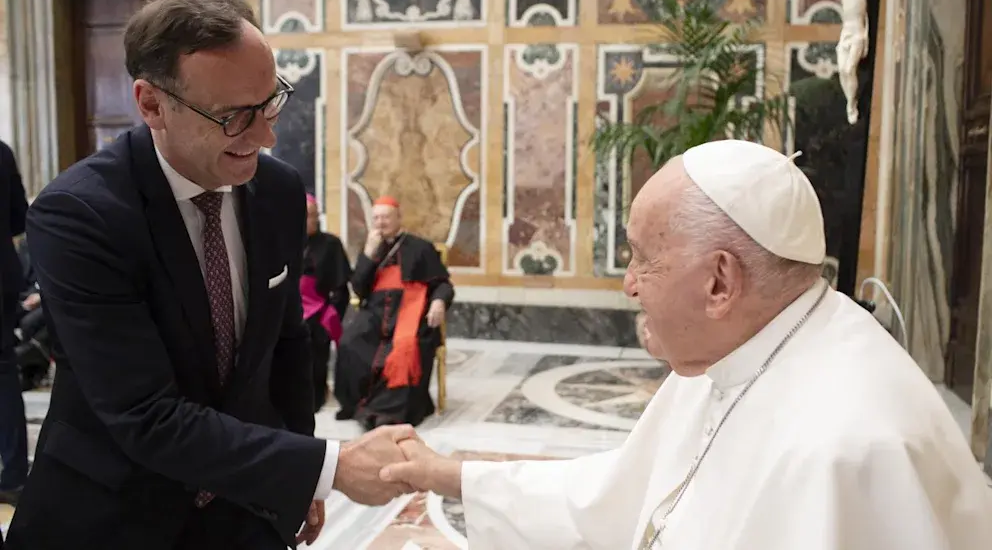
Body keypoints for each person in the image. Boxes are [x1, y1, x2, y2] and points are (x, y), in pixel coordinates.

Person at [378, 140, 992, 549]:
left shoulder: (848, 449)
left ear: (720, 281)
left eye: (642, 259)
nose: (628, 285)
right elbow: (621, 496)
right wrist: (450, 475)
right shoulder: (738, 354)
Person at [4, 0, 415, 549]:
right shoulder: (78, 214)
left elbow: (287, 345)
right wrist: (329, 467)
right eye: (232, 117)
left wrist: (294, 482)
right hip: (114, 513)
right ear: (151, 105)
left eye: (270, 103)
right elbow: (145, 414)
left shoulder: (277, 192)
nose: (266, 136)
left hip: (245, 511)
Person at [334, 196, 454, 430]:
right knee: (350, 342)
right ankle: (357, 403)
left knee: (405, 349)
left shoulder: (420, 247)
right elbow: (359, 287)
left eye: (386, 217)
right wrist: (368, 255)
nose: (380, 222)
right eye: (376, 218)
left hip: (411, 311)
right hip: (376, 312)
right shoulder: (371, 248)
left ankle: (391, 413)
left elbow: (443, 284)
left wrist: (438, 302)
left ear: (399, 218)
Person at [301, 193, 351, 410]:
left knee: (315, 340)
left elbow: (341, 289)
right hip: (289, 308)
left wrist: (329, 315)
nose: (307, 221)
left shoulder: (331, 244)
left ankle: (315, 396)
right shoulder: (281, 239)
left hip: (319, 310)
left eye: (311, 216)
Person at [0, 139, 29, 508]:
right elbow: (20, 217)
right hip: (3, 275)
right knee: (4, 374)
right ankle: (14, 473)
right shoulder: (2, 151)